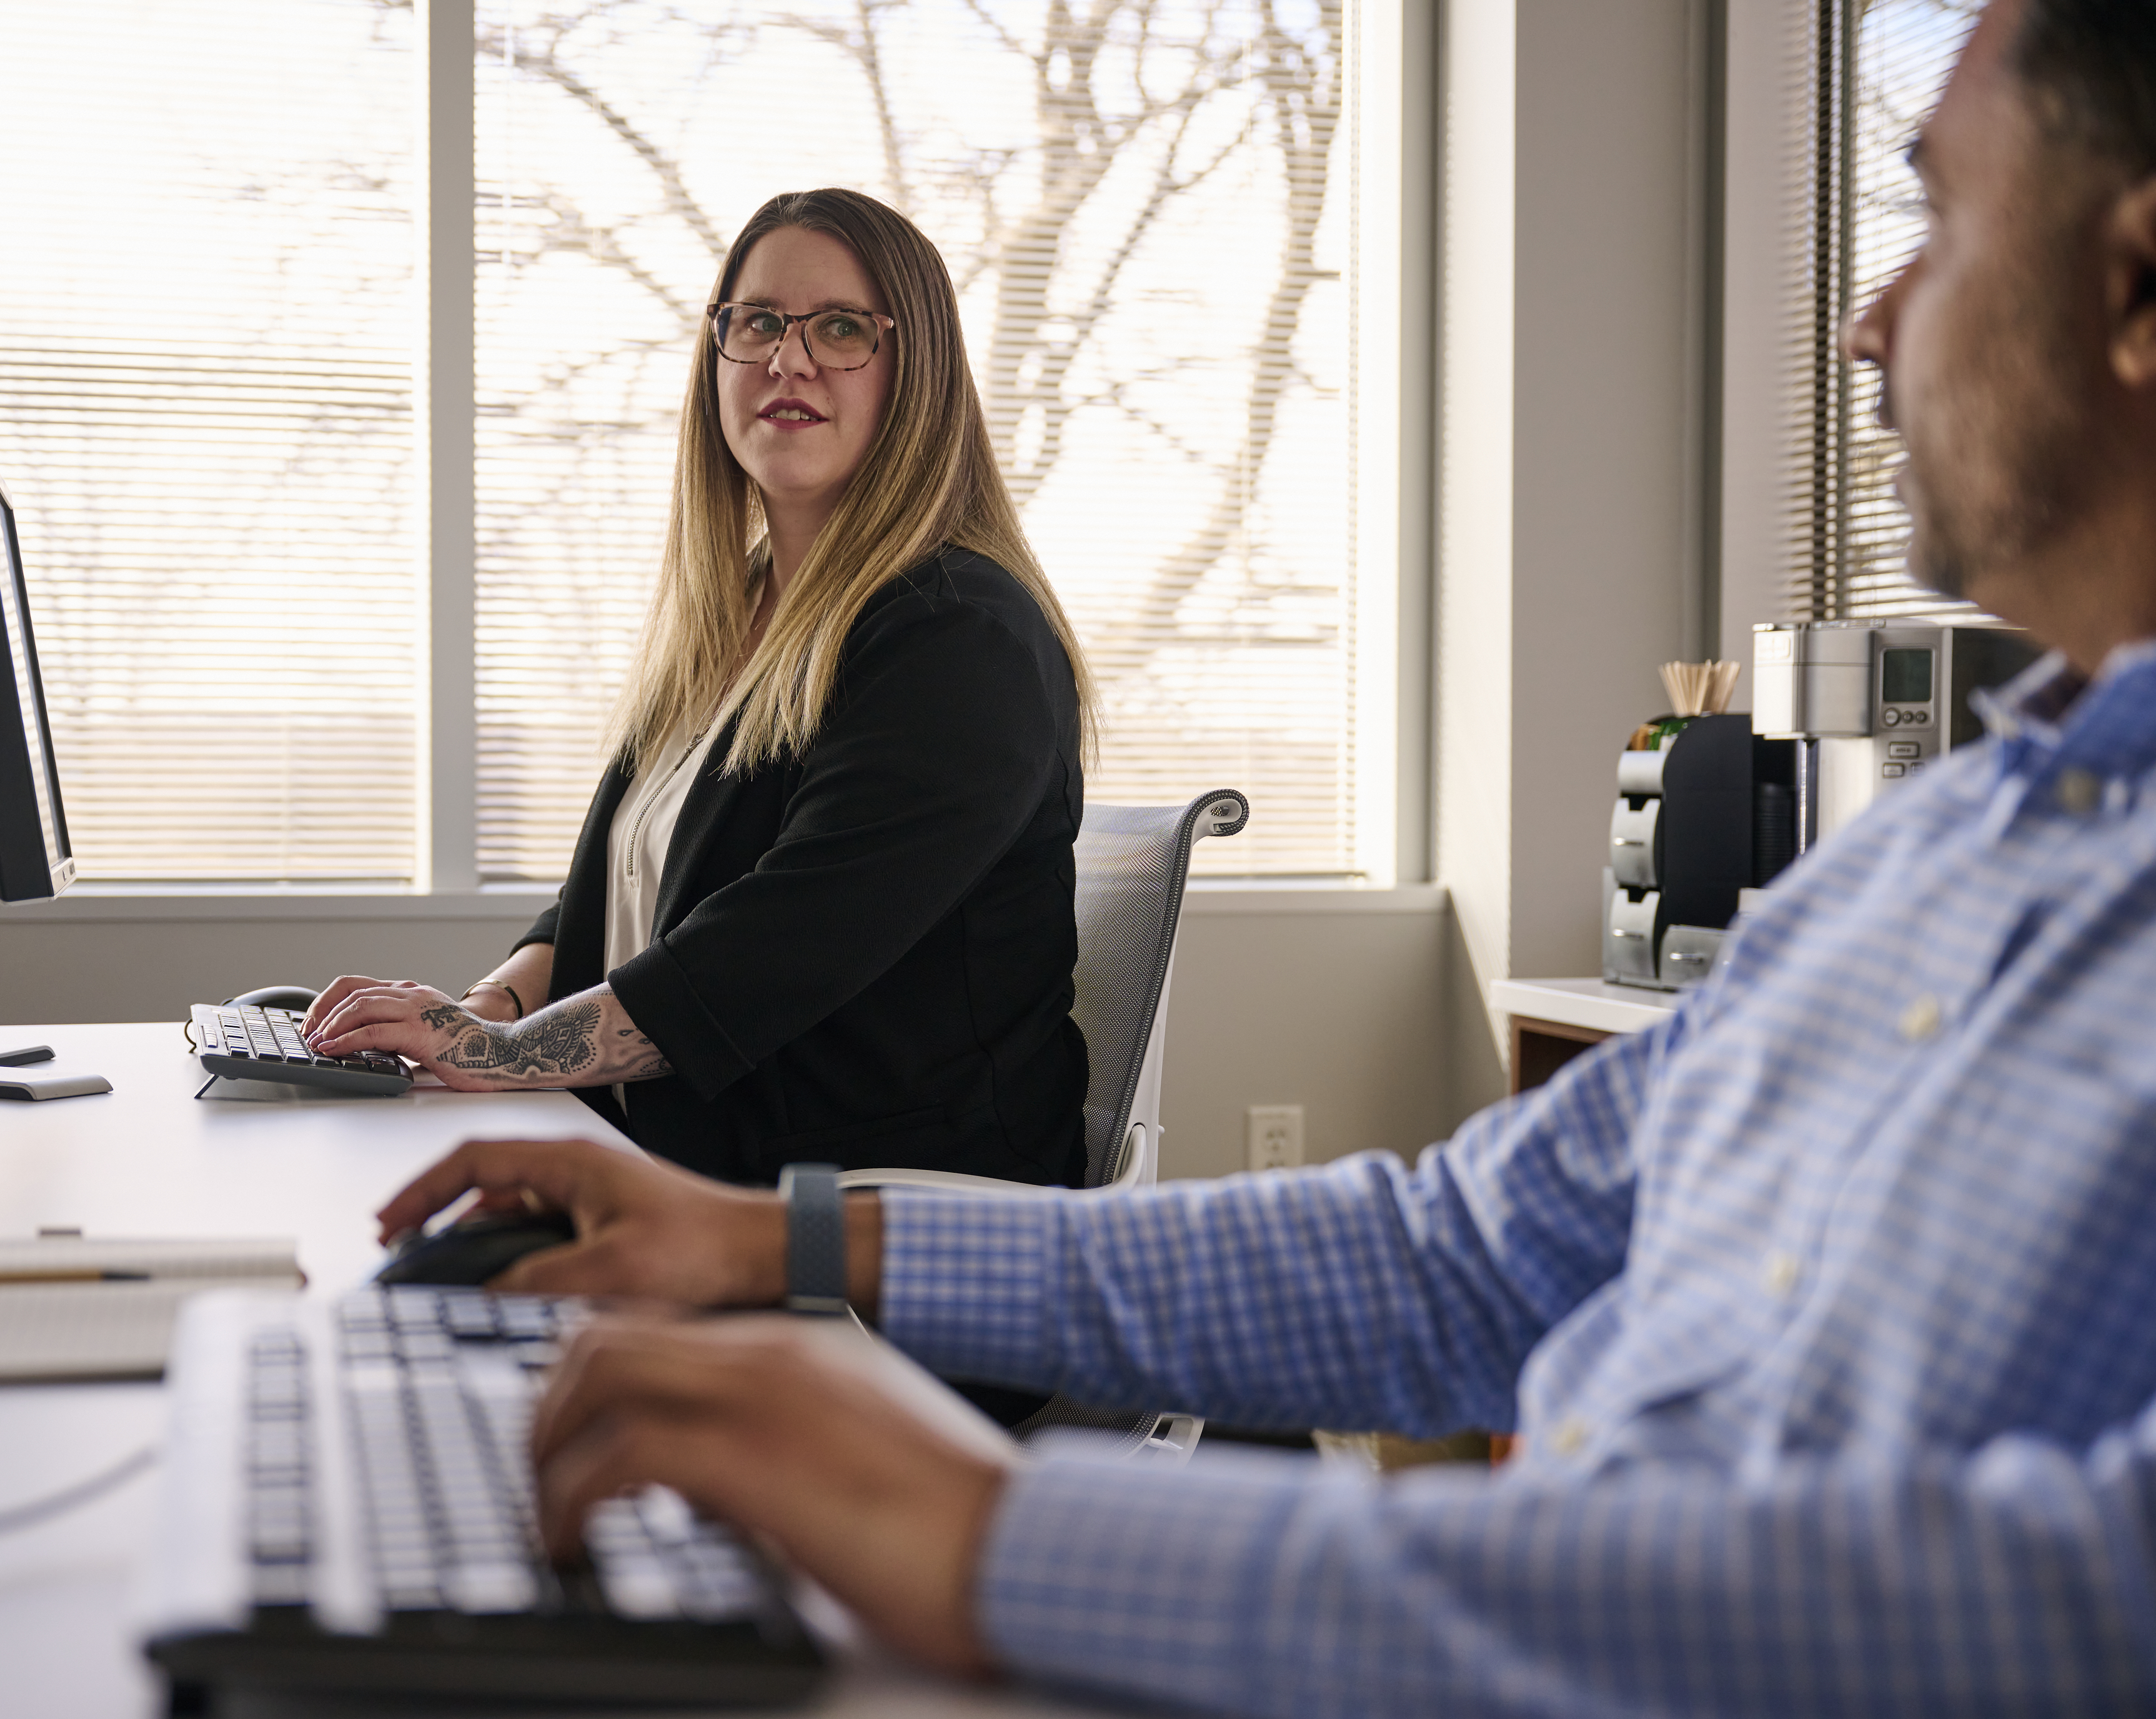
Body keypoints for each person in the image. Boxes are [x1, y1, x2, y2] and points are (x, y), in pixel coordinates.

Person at [368, 2, 2156, 1710]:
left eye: (1934, 209)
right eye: (755, 325)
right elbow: (1464, 1257)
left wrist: (1004, 1534)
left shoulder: (950, 633)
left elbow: (2070, 1606)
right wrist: (778, 1244)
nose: (1867, 320)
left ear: (2136, 282)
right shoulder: (1935, 849)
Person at [305, 188, 1096, 1187]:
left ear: (919, 372)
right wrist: (480, 1013)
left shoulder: (960, 634)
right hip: (690, 1174)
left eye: (842, 328)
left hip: (876, 1221)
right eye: (757, 322)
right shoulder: (732, 616)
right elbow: (604, 904)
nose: (787, 358)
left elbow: (769, 951)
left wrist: (488, 1060)